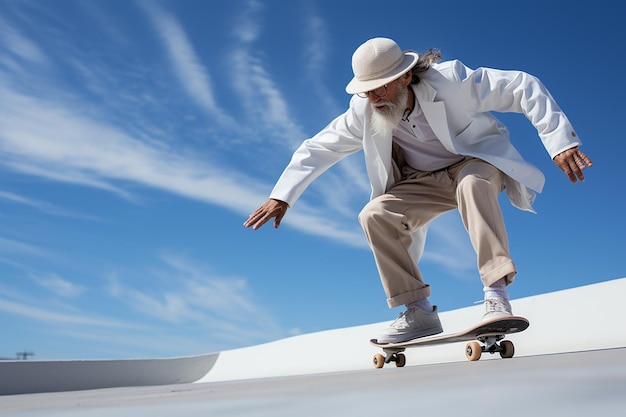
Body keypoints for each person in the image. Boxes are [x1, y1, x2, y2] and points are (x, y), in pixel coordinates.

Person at [243, 37, 592, 343]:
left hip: (474, 162)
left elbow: (521, 85)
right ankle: (418, 310)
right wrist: (281, 195)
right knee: (374, 215)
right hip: (422, 183)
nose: (375, 97)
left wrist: (560, 142)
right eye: (368, 89)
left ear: (406, 76)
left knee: (472, 184)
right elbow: (317, 148)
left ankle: (496, 294)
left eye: (382, 87)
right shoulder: (363, 110)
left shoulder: (452, 80)